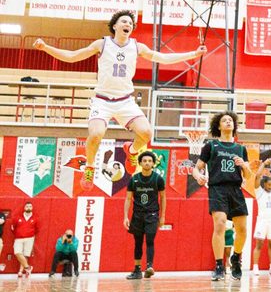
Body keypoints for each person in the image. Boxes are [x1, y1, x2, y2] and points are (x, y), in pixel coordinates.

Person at [33, 10, 206, 189]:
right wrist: (46, 47)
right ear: (114, 26)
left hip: (125, 100)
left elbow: (163, 58)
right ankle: (90, 168)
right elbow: (72, 56)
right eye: (124, 21)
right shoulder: (102, 44)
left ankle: (130, 150)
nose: (128, 25)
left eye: (130, 23)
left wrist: (193, 54)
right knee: (96, 134)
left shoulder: (137, 46)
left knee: (147, 133)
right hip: (102, 100)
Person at [192, 111, 252, 281]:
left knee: (242, 230)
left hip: (235, 189)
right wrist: (198, 176)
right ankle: (219, 265)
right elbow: (197, 167)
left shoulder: (241, 149)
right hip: (217, 189)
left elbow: (248, 176)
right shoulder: (211, 146)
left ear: (234, 125)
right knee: (220, 224)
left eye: (230, 120)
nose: (228, 122)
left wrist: (244, 166)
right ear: (218, 126)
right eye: (224, 120)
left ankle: (236, 257)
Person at [124, 150, 165, 279]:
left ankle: (149, 266)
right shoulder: (134, 179)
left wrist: (162, 216)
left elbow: (163, 198)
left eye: (149, 161)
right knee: (138, 242)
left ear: (153, 163)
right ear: (140, 163)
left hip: (152, 214)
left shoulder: (158, 179)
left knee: (150, 240)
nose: (147, 163)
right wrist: (125, 216)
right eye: (145, 161)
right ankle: (137, 270)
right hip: (137, 215)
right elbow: (128, 198)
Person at [252, 168, 271, 276]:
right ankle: (255, 267)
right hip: (262, 221)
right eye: (269, 185)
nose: (270, 187)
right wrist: (264, 164)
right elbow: (257, 176)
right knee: (259, 244)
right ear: (264, 184)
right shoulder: (259, 192)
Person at [12, 202, 38, 278]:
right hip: (18, 238)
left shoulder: (35, 218)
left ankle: (20, 271)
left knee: (25, 255)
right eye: (27, 206)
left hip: (30, 238)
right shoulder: (18, 217)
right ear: (24, 208)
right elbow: (13, 228)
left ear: (32, 208)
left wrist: (30, 234)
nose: (28, 208)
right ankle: (28, 267)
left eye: (30, 206)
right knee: (17, 252)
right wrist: (18, 234)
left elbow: (37, 229)